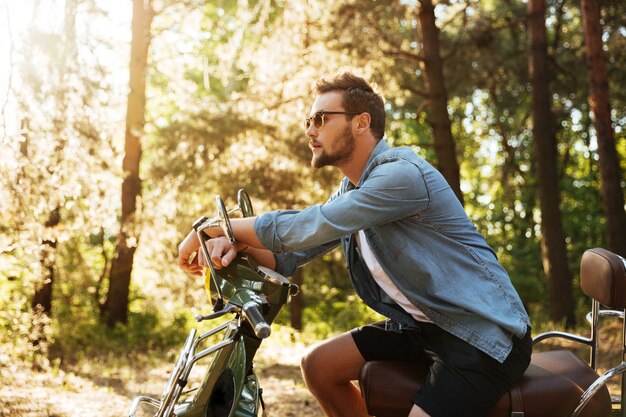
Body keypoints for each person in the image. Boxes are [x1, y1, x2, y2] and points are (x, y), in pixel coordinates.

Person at [178, 72, 532, 417]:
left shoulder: (400, 175)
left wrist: (214, 227)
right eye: (308, 120)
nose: (310, 130)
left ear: (362, 123)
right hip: (426, 327)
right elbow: (290, 252)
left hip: (480, 336)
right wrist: (235, 243)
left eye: (321, 118)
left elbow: (311, 224)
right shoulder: (353, 190)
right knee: (319, 366)